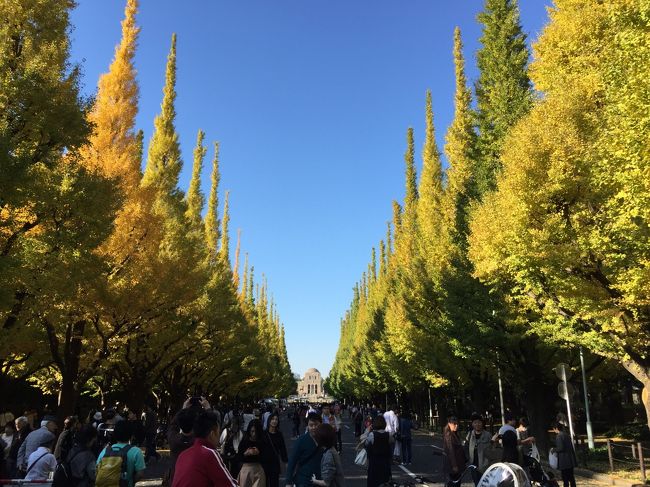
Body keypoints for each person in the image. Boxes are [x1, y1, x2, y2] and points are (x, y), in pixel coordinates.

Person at [172, 410, 238, 487]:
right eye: (218, 431)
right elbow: (229, 485)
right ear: (212, 434)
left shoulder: (182, 455)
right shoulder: (209, 453)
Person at [96, 420, 146, 487]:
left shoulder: (105, 450)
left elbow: (97, 469)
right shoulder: (136, 451)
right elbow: (140, 474)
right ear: (131, 435)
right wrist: (131, 481)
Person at [285, 412, 323, 487]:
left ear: (320, 425)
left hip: (320, 480)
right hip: (304, 480)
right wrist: (288, 482)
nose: (314, 427)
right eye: (311, 425)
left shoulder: (324, 440)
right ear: (307, 426)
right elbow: (292, 461)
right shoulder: (301, 440)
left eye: (316, 425)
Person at [164, 405, 198, 487]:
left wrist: (182, 409)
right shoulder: (198, 442)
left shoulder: (174, 439)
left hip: (175, 480)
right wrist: (208, 409)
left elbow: (172, 426)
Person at [237, 419, 267, 487]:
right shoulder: (244, 441)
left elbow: (266, 458)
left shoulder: (262, 441)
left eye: (256, 432)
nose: (254, 434)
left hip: (258, 469)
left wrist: (259, 453)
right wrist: (245, 454)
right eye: (252, 431)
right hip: (246, 469)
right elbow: (238, 457)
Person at [364, 415, 392, 487]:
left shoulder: (372, 435)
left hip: (374, 463)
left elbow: (366, 443)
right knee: (385, 482)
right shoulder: (389, 435)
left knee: (373, 482)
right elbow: (392, 443)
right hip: (385, 463)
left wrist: (367, 430)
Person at [465, 414, 492, 486]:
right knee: (477, 484)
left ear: (482, 423)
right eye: (475, 422)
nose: (477, 424)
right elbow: (466, 448)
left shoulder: (488, 435)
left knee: (485, 484)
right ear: (472, 424)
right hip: (473, 466)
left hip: (485, 466)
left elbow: (492, 449)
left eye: (479, 422)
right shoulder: (470, 434)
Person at [264, 413, 288, 487]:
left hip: (274, 463)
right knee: (264, 483)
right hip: (264, 463)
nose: (274, 421)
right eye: (272, 419)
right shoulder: (264, 434)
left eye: (276, 419)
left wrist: (286, 461)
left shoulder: (279, 434)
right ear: (269, 421)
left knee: (274, 483)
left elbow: (282, 448)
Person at [442, 415, 466, 487]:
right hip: (453, 466)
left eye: (457, 424)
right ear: (449, 424)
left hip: (456, 464)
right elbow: (451, 451)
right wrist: (454, 465)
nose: (456, 425)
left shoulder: (454, 433)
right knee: (453, 484)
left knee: (455, 483)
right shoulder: (449, 435)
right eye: (454, 424)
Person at [552, 422, 576, 487]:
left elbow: (560, 448)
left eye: (554, 429)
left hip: (564, 460)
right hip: (570, 459)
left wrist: (554, 450)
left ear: (556, 428)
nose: (554, 431)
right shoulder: (566, 435)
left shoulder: (559, 436)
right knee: (571, 477)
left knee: (565, 478)